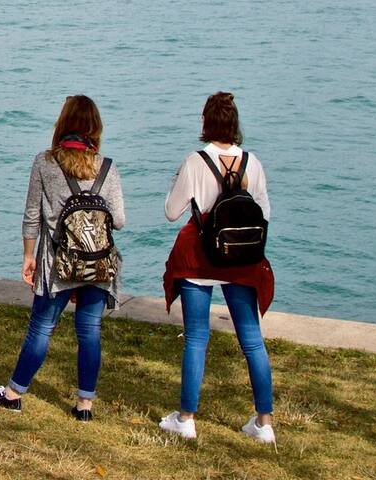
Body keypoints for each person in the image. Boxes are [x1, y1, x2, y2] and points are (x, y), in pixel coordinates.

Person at [0, 95, 125, 421]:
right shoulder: (108, 168)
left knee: (42, 328)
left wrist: (28, 256)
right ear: (95, 128)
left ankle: (14, 394)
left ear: (62, 124)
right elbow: (119, 219)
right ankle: (84, 406)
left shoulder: (45, 163)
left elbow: (32, 215)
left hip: (56, 262)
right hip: (99, 262)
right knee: (89, 330)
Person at [156, 91, 278, 443]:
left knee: (196, 337)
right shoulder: (252, 163)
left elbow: (171, 211)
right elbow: (264, 214)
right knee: (252, 341)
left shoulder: (195, 161)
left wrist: (177, 180)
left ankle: (186, 418)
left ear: (206, 124)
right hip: (239, 259)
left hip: (200, 258)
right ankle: (264, 422)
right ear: (235, 125)